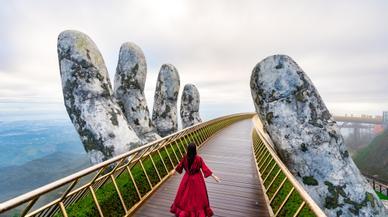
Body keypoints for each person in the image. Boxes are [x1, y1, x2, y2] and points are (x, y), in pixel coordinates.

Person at [170, 142, 220, 217]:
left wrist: (174, 171)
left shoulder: (185, 157)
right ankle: (196, 213)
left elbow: (180, 165)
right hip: (197, 179)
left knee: (184, 196)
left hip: (187, 178)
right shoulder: (198, 159)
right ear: (194, 150)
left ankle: (184, 212)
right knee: (198, 198)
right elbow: (205, 168)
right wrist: (214, 176)